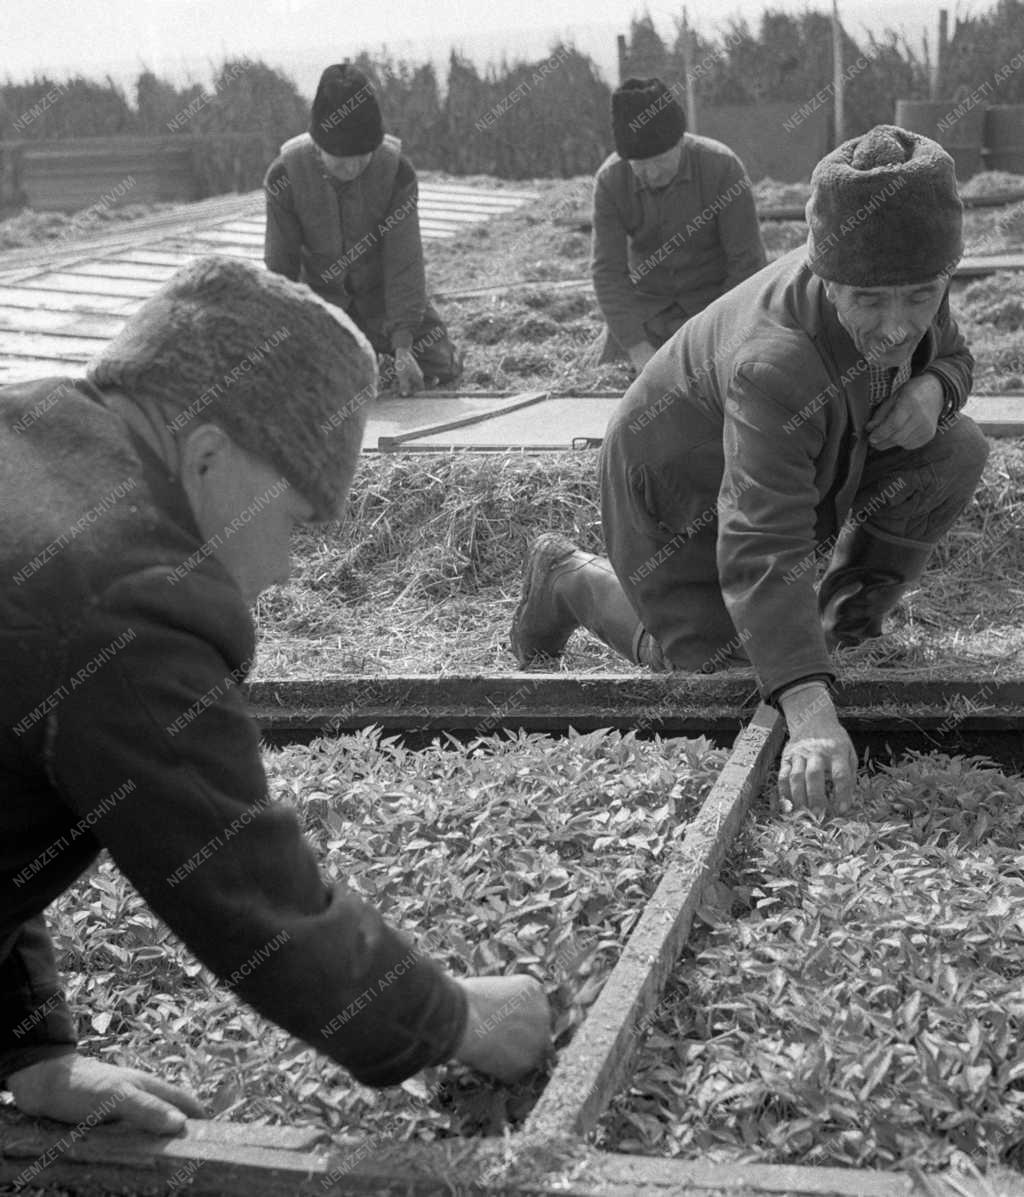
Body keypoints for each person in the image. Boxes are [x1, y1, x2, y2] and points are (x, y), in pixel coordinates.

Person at [0, 256, 547, 1134]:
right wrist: (458, 1019)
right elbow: (251, 896)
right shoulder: (128, 594)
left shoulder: (29, 431)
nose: (291, 567)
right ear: (209, 454)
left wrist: (30, 1044)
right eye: (294, 522)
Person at [513, 125, 988, 816]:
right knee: (721, 675)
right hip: (676, 483)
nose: (896, 326)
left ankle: (842, 628)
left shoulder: (902, 266)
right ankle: (567, 577)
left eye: (919, 297)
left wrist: (936, 388)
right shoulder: (777, 361)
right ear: (827, 278)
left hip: (812, 446)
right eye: (871, 302)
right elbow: (761, 539)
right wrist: (807, 704)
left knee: (955, 447)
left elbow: (953, 351)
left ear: (942, 273)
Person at [264, 63, 461, 397]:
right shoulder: (285, 175)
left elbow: (405, 264)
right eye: (340, 160)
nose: (353, 168)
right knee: (313, 381)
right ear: (318, 145)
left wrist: (402, 345)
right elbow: (280, 271)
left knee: (439, 362)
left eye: (363, 157)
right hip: (322, 304)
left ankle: (376, 352)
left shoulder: (397, 172)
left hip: (379, 301)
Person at [590, 76, 767, 374]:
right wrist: (638, 349)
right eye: (639, 166)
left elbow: (747, 263)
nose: (651, 173)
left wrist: (715, 337)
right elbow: (607, 272)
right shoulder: (610, 181)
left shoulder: (723, 168)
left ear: (681, 142)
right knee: (615, 383)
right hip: (648, 312)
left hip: (715, 305)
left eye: (660, 161)